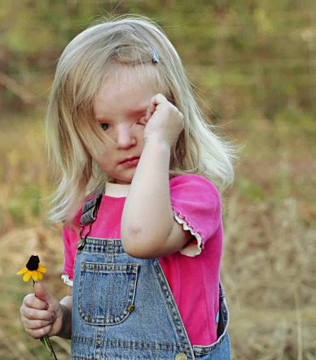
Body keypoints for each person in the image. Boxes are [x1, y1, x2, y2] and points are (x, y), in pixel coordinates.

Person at [19, 15, 235, 359]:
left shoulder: (194, 196)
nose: (123, 139)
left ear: (172, 114)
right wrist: (61, 318)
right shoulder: (84, 215)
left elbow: (141, 237)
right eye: (103, 125)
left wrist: (159, 143)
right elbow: (98, 317)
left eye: (141, 119)